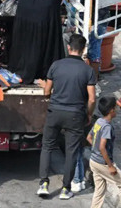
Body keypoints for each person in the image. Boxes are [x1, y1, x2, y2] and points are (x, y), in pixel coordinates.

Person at [37, 34, 97, 200]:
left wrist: (48, 89)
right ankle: (65, 188)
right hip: (75, 115)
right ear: (83, 49)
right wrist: (89, 113)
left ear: (69, 47)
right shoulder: (88, 70)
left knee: (47, 146)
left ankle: (43, 183)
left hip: (55, 112)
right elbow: (92, 98)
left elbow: (47, 91)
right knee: (71, 151)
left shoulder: (56, 65)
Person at [87, 96, 121, 208]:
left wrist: (95, 150)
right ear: (111, 110)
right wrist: (110, 166)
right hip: (103, 163)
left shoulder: (98, 121)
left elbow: (89, 137)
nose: (116, 110)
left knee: (99, 190)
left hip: (93, 161)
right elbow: (102, 147)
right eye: (115, 107)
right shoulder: (107, 127)